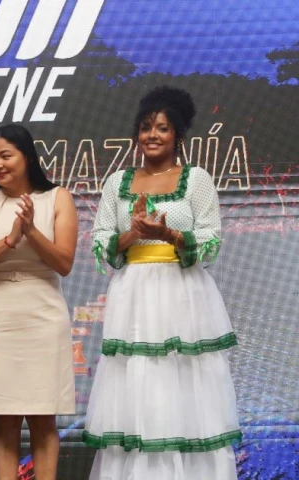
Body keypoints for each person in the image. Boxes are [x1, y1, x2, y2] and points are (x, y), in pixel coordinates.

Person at [85, 86, 240, 479]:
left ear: (178, 136)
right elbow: (101, 243)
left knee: (183, 381)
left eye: (162, 128)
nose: (152, 135)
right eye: (145, 128)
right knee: (138, 383)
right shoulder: (117, 182)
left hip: (183, 292)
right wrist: (134, 233)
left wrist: (170, 235)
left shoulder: (196, 180)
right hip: (133, 294)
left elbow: (210, 242)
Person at [0, 124, 77, 480]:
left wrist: (31, 231)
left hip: (43, 312)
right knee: (4, 416)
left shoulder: (58, 198)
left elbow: (64, 263)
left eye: (6, 156)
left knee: (44, 415)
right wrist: (10, 240)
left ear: (27, 157)